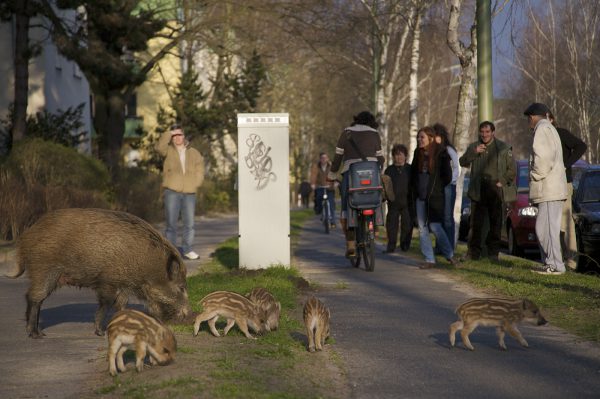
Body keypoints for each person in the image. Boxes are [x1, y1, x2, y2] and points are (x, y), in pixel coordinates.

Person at [328, 111, 384, 257]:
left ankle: (351, 245)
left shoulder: (346, 133)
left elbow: (338, 158)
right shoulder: (374, 134)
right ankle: (376, 226)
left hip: (351, 174)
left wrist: (332, 174)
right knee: (375, 196)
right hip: (372, 174)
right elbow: (381, 159)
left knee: (347, 205)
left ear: (356, 120)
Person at [459, 121, 516, 262]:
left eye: (487, 132)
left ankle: (493, 255)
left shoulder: (503, 148)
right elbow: (462, 161)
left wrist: (501, 182)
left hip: (495, 188)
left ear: (493, 132)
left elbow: (512, 170)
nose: (484, 135)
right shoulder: (474, 146)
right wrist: (474, 152)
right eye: (482, 132)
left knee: (495, 223)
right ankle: (472, 254)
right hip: (478, 188)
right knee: (475, 224)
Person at [524, 103, 568, 275]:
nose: (528, 121)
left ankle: (556, 265)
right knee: (544, 228)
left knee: (548, 229)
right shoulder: (550, 128)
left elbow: (543, 158)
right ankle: (552, 263)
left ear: (533, 117)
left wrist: (535, 175)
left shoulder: (542, 129)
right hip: (551, 188)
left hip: (549, 188)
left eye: (529, 117)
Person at [156, 124, 205, 260]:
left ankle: (188, 249)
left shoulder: (193, 152)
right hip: (172, 191)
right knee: (171, 224)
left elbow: (200, 167)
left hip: (189, 192)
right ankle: (171, 252)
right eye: (175, 135)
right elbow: (159, 148)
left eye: (180, 135)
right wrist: (169, 132)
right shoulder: (168, 150)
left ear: (184, 136)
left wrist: (197, 182)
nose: (177, 138)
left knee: (189, 224)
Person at [410, 126, 457, 268]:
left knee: (435, 226)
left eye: (422, 137)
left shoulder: (441, 153)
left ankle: (449, 255)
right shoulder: (417, 153)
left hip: (435, 197)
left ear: (430, 138)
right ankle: (429, 259)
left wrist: (436, 189)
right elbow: (413, 174)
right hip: (420, 197)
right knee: (422, 228)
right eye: (418, 137)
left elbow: (447, 176)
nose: (419, 140)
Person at [547, 112, 587, 270]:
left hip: (564, 183)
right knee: (551, 224)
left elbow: (581, 146)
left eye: (546, 119)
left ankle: (571, 262)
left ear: (551, 119)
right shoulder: (541, 138)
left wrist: (566, 164)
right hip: (548, 186)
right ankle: (557, 259)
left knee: (566, 222)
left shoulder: (561, 133)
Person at [433, 123, 460, 250]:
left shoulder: (449, 150)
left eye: (436, 136)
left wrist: (450, 181)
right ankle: (440, 246)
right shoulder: (433, 151)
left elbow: (456, 168)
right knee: (438, 217)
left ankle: (449, 247)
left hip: (449, 186)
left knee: (448, 217)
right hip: (437, 188)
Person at [384, 144, 413, 253]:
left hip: (407, 202)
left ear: (405, 156)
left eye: (401, 155)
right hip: (393, 202)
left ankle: (404, 246)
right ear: (393, 156)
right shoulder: (389, 170)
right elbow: (385, 186)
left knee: (407, 225)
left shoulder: (410, 169)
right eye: (396, 155)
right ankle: (391, 246)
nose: (398, 157)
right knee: (391, 226)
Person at [310, 153, 337, 228]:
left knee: (331, 203)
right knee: (318, 198)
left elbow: (334, 175)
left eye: (325, 158)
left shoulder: (331, 166)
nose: (324, 159)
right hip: (320, 187)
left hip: (329, 187)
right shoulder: (316, 166)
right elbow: (313, 175)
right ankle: (319, 210)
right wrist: (312, 184)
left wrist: (335, 183)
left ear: (328, 158)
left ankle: (333, 221)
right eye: (322, 158)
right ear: (320, 159)